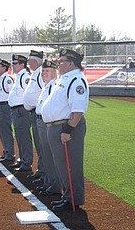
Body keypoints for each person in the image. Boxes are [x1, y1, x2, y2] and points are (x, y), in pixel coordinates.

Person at [41, 48, 89, 212]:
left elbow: (78, 110)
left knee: (71, 166)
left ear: (70, 64)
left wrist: (68, 130)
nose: (58, 65)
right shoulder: (65, 79)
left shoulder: (76, 80)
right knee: (61, 165)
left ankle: (73, 201)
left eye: (61, 62)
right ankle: (67, 197)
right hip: (57, 126)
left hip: (67, 127)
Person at [35, 59, 61, 196]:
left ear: (54, 72)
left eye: (47, 71)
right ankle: (48, 181)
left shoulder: (52, 86)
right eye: (43, 71)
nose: (44, 73)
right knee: (45, 154)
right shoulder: (46, 86)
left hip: (46, 123)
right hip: (41, 122)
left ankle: (54, 184)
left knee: (49, 155)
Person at [8, 54, 33, 172]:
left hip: (22, 110)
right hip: (16, 110)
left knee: (24, 136)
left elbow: (28, 94)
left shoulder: (25, 77)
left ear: (22, 64)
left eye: (15, 63)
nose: (13, 65)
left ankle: (26, 162)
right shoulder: (19, 76)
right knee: (19, 136)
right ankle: (23, 159)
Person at [23, 50, 45, 182]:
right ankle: (42, 170)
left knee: (41, 145)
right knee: (38, 144)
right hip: (33, 112)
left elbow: (45, 92)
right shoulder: (35, 73)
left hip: (38, 113)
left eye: (29, 61)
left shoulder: (41, 73)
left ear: (35, 62)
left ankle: (44, 173)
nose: (28, 63)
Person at [0, 58, 15, 162]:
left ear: (4, 68)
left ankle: (9, 153)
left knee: (6, 130)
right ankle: (6, 150)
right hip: (0, 106)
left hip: (5, 106)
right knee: (2, 130)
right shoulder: (2, 78)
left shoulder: (7, 79)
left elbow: (12, 94)